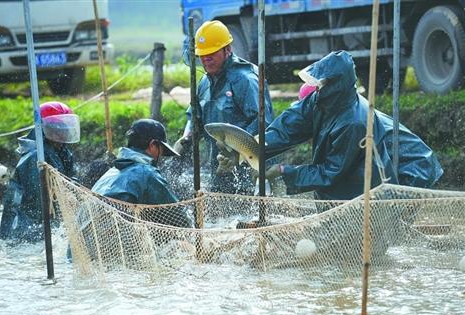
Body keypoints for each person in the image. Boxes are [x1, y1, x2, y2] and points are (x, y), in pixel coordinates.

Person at [262, 50, 399, 200]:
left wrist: (284, 171)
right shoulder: (320, 100)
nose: (317, 89)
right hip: (336, 195)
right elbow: (291, 124)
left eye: (321, 85)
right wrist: (256, 146)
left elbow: (330, 172)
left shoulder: (355, 123)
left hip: (363, 199)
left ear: (335, 86)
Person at [173, 20, 274, 194]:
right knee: (220, 213)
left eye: (212, 53)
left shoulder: (245, 80)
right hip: (218, 166)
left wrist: (237, 152)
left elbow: (263, 122)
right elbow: (195, 116)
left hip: (248, 167)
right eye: (202, 55)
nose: (206, 59)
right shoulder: (205, 82)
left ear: (227, 50)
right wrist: (186, 138)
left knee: (251, 213)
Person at [298, 83, 443, 188]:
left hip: (415, 168)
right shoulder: (348, 112)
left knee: (387, 224)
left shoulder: (351, 123)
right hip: (414, 165)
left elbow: (339, 171)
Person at [0, 101, 80, 243]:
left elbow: (71, 180)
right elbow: (37, 202)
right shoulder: (34, 158)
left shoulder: (63, 152)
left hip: (47, 223)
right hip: (24, 230)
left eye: (63, 128)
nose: (61, 133)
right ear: (43, 129)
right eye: (56, 129)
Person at [92, 119, 193, 228]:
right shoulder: (147, 173)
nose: (160, 157)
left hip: (82, 240)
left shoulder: (111, 172)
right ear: (153, 145)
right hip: (110, 240)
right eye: (161, 150)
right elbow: (179, 219)